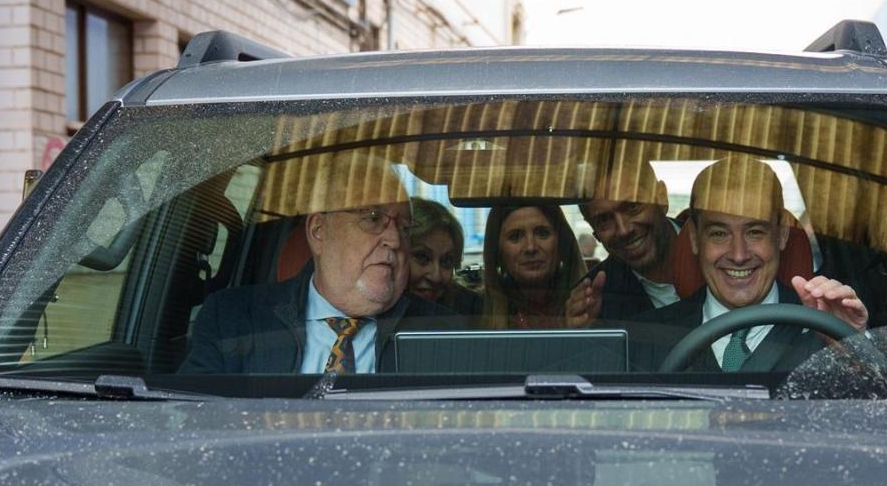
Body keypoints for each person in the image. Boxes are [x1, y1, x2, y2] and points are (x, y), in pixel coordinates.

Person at [180, 152, 452, 374]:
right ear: (319, 231)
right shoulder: (232, 318)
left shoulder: (445, 332)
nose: (394, 239)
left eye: (404, 227)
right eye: (372, 218)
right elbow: (190, 421)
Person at [636, 155, 866, 372]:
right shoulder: (647, 335)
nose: (739, 255)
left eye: (755, 232)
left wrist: (856, 349)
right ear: (695, 239)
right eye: (718, 233)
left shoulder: (826, 324)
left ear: (782, 233)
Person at [577, 161, 684, 324]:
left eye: (633, 207)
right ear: (595, 233)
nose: (623, 230)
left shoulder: (722, 250)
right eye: (604, 220)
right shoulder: (594, 301)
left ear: (661, 197)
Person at [479, 201, 594, 329]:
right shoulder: (475, 309)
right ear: (497, 252)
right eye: (515, 237)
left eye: (542, 233)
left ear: (563, 244)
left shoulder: (591, 303)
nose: (530, 247)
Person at [405, 198, 479, 316]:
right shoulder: (372, 313)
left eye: (446, 261)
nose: (436, 277)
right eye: (422, 257)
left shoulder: (472, 312)